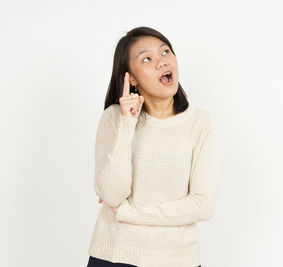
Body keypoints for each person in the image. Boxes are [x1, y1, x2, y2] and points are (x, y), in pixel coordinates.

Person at [86, 26, 221, 267]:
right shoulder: (114, 118)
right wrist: (128, 123)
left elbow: (202, 205)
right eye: (147, 58)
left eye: (165, 52)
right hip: (115, 256)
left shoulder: (201, 124)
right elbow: (112, 194)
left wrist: (130, 213)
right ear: (132, 77)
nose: (161, 62)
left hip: (178, 260)